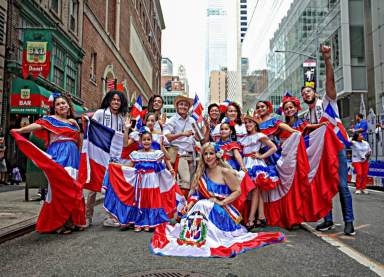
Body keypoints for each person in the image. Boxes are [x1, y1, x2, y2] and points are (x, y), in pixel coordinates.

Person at [150, 142, 286, 257]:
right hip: (206, 207)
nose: (208, 157)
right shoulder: (201, 172)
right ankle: (195, 236)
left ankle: (203, 237)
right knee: (201, 205)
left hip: (223, 211)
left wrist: (222, 202)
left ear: (217, 155)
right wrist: (190, 204)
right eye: (205, 154)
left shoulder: (225, 171)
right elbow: (197, 194)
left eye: (211, 153)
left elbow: (238, 191)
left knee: (204, 205)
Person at [301, 45, 355, 235]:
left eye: (308, 91)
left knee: (341, 184)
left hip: (336, 147)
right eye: (303, 94)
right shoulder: (307, 116)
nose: (306, 94)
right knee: (322, 183)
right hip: (320, 153)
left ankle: (349, 222)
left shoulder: (327, 102)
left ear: (315, 93)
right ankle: (328, 219)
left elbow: (330, 82)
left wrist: (327, 59)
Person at [12, 94, 85, 234]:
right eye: (58, 104)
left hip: (73, 156)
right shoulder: (50, 120)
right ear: (55, 108)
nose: (61, 106)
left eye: (63, 103)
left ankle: (74, 220)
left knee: (74, 187)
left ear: (69, 106)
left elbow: (80, 141)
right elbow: (36, 125)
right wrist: (20, 130)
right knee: (60, 188)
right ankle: (61, 222)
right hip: (58, 155)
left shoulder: (73, 123)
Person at [103, 127, 175, 232]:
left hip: (152, 183)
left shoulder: (156, 153)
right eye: (144, 139)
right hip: (140, 182)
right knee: (140, 200)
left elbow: (168, 157)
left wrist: (161, 146)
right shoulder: (136, 153)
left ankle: (149, 222)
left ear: (151, 140)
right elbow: (128, 168)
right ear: (140, 141)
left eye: (148, 139)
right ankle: (140, 221)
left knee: (150, 201)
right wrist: (116, 167)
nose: (146, 141)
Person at [86, 90, 129, 228]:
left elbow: (124, 141)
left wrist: (128, 129)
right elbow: (91, 130)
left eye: (118, 100)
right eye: (114, 99)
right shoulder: (100, 113)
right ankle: (87, 216)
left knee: (111, 187)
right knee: (94, 185)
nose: (116, 102)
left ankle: (110, 216)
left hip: (114, 157)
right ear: (109, 100)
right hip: (99, 154)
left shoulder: (123, 118)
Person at [240, 115, 280, 229]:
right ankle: (261, 218)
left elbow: (273, 148)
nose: (248, 124)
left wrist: (261, 155)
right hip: (246, 164)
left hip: (255, 164)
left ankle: (251, 220)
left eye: (250, 122)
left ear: (255, 124)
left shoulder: (259, 135)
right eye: (246, 122)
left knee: (255, 191)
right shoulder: (244, 138)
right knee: (256, 192)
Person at [163, 95, 197, 196]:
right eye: (181, 104)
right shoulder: (172, 120)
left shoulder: (192, 120)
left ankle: (186, 206)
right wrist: (182, 134)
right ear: (177, 106)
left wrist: (205, 130)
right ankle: (182, 207)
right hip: (179, 154)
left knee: (192, 183)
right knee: (185, 181)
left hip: (192, 154)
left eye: (186, 105)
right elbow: (167, 137)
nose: (183, 106)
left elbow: (198, 137)